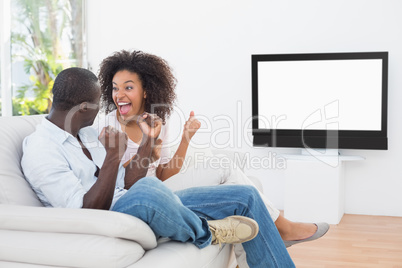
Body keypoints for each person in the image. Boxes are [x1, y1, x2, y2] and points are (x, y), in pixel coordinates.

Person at [21, 67, 295, 268]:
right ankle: (205, 231)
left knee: (245, 196)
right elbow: (85, 212)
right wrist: (113, 157)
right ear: (83, 107)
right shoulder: (41, 149)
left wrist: (147, 141)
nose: (105, 108)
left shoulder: (87, 133)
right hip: (108, 216)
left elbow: (128, 183)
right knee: (150, 189)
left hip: (137, 199)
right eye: (96, 104)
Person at [94, 50, 329, 252]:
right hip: (144, 197)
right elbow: (113, 182)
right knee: (232, 178)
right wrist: (145, 151)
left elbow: (165, 174)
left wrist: (185, 138)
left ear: (146, 91)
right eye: (115, 88)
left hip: (162, 186)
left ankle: (270, 235)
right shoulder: (107, 127)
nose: (119, 95)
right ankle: (283, 228)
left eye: (128, 87)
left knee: (230, 176)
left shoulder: (158, 122)